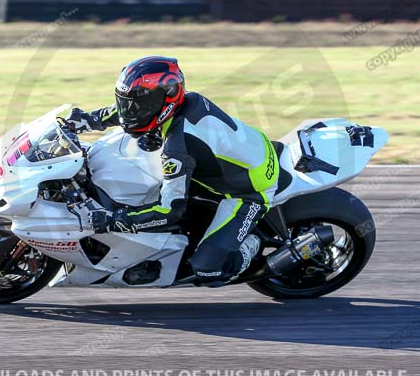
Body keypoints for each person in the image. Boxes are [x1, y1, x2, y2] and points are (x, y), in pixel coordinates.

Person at [66, 55, 278, 286]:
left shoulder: (179, 148)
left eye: (139, 103)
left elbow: (169, 211)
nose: (130, 110)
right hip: (236, 158)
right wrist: (86, 121)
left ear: (166, 98)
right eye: (126, 101)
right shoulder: (184, 102)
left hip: (248, 191)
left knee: (209, 270)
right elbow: (127, 111)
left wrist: (115, 220)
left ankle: (253, 242)